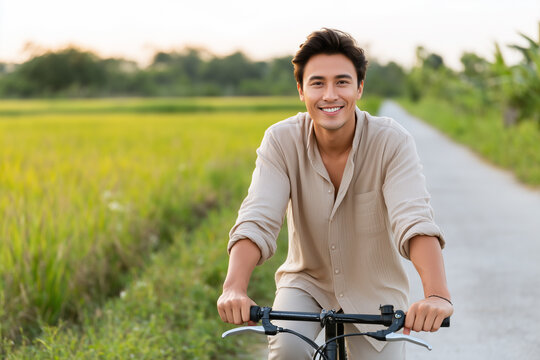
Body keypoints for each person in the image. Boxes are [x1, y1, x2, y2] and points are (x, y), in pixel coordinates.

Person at [217, 28, 453, 359]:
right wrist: (234, 288)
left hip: (376, 291)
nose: (330, 95)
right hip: (305, 284)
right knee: (288, 348)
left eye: (342, 82)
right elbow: (258, 217)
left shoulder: (391, 142)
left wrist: (437, 295)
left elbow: (413, 219)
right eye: (317, 83)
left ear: (359, 88)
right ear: (301, 90)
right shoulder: (281, 141)